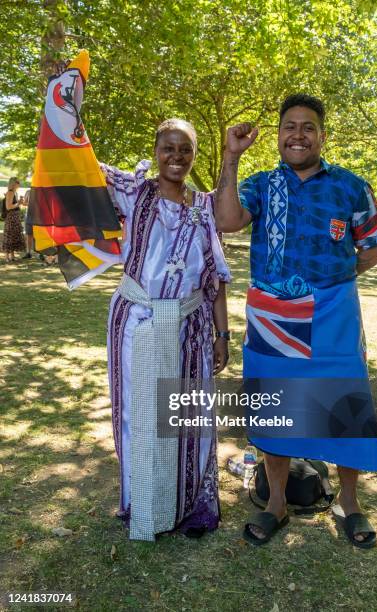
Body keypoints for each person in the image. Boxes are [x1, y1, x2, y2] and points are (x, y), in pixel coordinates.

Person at [215, 94, 377, 548]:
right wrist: (230, 157)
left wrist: (330, 280)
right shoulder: (259, 183)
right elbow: (227, 220)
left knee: (344, 404)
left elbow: (372, 247)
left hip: (334, 314)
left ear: (322, 135)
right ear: (278, 135)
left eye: (307, 127)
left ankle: (348, 503)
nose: (298, 135)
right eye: (289, 126)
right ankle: (275, 504)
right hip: (273, 316)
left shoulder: (352, 186)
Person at [100, 118, 231, 541]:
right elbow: (80, 165)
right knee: (137, 414)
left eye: (186, 150)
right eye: (169, 149)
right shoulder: (133, 191)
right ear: (156, 151)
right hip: (135, 320)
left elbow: (215, 280)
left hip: (189, 327)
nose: (177, 157)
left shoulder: (205, 206)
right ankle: (142, 503)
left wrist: (222, 334)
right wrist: (63, 105)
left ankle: (188, 506)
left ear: (194, 154)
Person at [2, 177, 26, 262]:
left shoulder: (15, 193)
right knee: (9, 236)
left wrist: (21, 202)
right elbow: (8, 207)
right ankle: (7, 257)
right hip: (11, 217)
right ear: (13, 183)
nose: (19, 184)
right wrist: (18, 203)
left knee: (13, 236)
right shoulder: (10, 193)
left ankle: (12, 256)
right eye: (18, 182)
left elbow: (17, 204)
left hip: (15, 217)